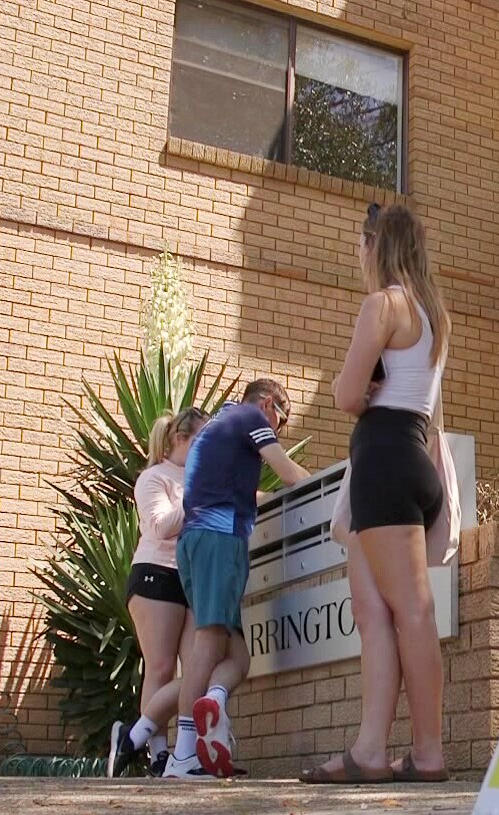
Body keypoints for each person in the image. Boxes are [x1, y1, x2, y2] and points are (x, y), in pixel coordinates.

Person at [302, 203, 453, 784]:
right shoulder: (433, 314)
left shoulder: (383, 305)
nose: (357, 255)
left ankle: (429, 751)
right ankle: (370, 750)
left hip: (383, 460)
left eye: (360, 245)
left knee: (410, 610)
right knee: (372, 611)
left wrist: (362, 386)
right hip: (405, 456)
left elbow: (343, 395)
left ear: (375, 245)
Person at [166, 378, 312, 780]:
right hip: (219, 540)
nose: (278, 431)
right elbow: (286, 471)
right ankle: (182, 755)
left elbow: (244, 494)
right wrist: (329, 485)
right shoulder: (249, 415)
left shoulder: (215, 426)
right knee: (209, 639)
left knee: (238, 658)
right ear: (268, 404)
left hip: (195, 541)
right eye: (280, 423)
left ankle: (213, 703)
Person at [107, 407, 251, 778]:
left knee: (199, 666)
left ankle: (144, 737)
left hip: (193, 575)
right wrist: (197, 496)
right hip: (157, 574)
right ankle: (158, 752)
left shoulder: (203, 474)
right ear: (179, 439)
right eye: (201, 441)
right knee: (160, 665)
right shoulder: (155, 478)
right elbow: (158, 527)